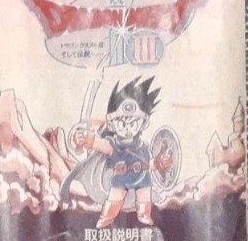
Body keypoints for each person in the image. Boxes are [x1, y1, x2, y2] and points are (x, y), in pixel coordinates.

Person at [71, 77, 172, 227]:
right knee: (115, 199)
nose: (127, 127)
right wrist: (87, 139)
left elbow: (149, 164)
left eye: (133, 123)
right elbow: (101, 145)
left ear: (144, 123)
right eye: (121, 122)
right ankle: (105, 219)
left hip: (142, 179)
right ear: (112, 124)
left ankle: (144, 215)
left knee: (144, 196)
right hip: (121, 178)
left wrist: (160, 163)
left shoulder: (143, 147)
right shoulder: (114, 144)